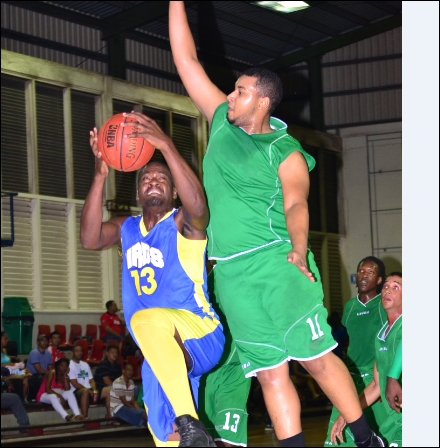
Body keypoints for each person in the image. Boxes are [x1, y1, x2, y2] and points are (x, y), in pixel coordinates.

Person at [168, 3, 384, 446]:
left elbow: (296, 204)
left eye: (240, 92)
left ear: (262, 101)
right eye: (232, 91)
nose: (230, 97)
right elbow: (186, 60)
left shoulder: (284, 150)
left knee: (315, 359)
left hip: (277, 262)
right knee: (269, 373)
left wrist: (299, 248)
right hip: (230, 272)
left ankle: (366, 439)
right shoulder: (221, 123)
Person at [80, 111, 224, 447]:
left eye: (162, 178)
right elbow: (89, 239)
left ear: (174, 191)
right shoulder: (126, 228)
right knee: (167, 438)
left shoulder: (182, 223)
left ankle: (190, 422)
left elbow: (199, 209)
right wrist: (100, 175)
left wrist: (166, 145)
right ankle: (188, 432)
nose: (153, 181)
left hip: (199, 332)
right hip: (162, 350)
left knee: (145, 320)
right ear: (138, 193)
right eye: (146, 178)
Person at [331, 273, 402, 447]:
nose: (388, 290)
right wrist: (346, 414)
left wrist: (393, 377)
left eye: (396, 287)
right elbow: (376, 386)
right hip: (394, 421)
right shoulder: (381, 336)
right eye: (386, 286)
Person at [324, 257, 388, 446]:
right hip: (351, 377)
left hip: (375, 377)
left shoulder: (383, 304)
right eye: (361, 271)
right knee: (338, 435)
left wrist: (385, 379)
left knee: (383, 433)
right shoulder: (350, 307)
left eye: (371, 272)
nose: (364, 275)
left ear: (379, 279)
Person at [198, 267, 251, 447]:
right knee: (203, 439)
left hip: (235, 371)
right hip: (205, 372)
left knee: (229, 440)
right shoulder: (198, 281)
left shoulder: (246, 271)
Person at [36, 358, 85, 422]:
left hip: (57, 395)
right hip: (44, 395)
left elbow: (67, 389)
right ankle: (66, 416)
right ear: (58, 366)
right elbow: (48, 389)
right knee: (53, 396)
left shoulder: (66, 376)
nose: (64, 368)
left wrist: (65, 376)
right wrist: (60, 397)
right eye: (62, 365)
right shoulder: (52, 373)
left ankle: (77, 414)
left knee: (70, 393)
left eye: (66, 366)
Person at [110, 362, 147, 428]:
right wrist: (136, 410)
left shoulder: (131, 382)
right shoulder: (118, 382)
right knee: (143, 414)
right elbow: (124, 401)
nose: (130, 372)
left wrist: (138, 409)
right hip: (117, 409)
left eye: (132, 370)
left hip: (126, 408)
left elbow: (133, 400)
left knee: (144, 414)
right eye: (128, 370)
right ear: (123, 371)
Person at [69, 344, 98, 419]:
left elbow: (91, 380)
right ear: (72, 353)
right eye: (77, 351)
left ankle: (111, 417)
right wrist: (88, 390)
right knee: (85, 391)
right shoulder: (70, 365)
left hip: (88, 389)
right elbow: (75, 384)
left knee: (107, 391)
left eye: (81, 351)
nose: (79, 353)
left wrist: (94, 390)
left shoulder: (85, 364)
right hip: (76, 391)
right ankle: (85, 417)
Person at [93, 345, 122, 418]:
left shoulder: (117, 365)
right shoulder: (103, 364)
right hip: (100, 389)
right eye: (112, 352)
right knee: (110, 391)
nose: (115, 354)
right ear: (107, 353)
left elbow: (120, 380)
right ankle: (110, 417)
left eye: (116, 352)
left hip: (112, 387)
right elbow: (107, 381)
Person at [1, 332, 31, 399]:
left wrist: (13, 358)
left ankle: (22, 399)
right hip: (4, 373)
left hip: (10, 369)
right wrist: (6, 364)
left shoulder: (4, 350)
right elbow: (5, 363)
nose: (7, 340)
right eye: (5, 338)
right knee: (23, 379)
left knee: (26, 377)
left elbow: (6, 359)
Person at [26, 334, 53, 402]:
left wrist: (52, 373)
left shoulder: (48, 353)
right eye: (42, 341)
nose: (45, 342)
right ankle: (32, 398)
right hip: (32, 375)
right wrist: (50, 373)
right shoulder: (34, 352)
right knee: (39, 378)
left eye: (46, 341)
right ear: (38, 342)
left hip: (43, 374)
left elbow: (50, 367)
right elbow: (39, 370)